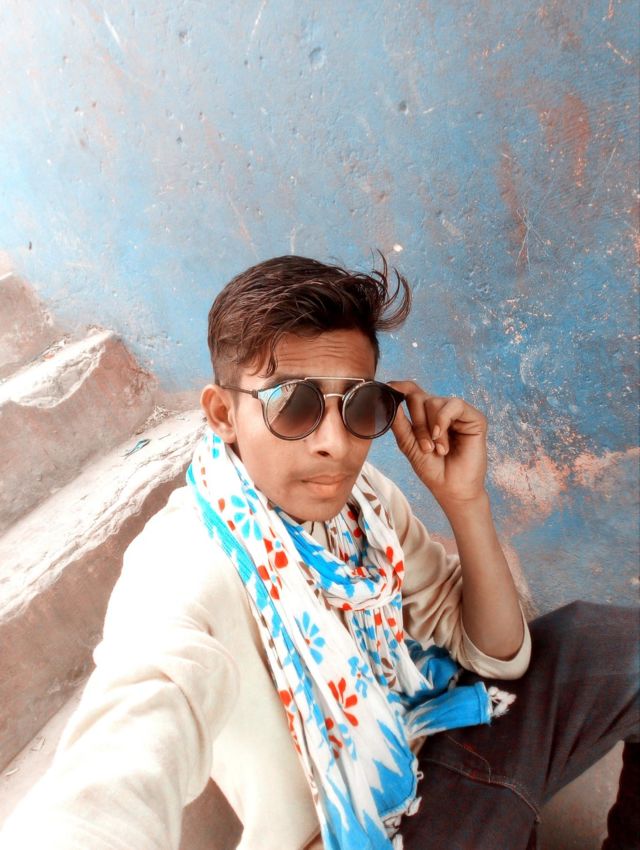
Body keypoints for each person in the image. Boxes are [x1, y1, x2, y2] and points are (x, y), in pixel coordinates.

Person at [1, 255, 638, 850]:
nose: (336, 441)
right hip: (356, 831)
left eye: (360, 405)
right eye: (294, 404)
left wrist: (464, 501)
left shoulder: (364, 501)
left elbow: (497, 657)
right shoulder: (184, 562)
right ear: (222, 414)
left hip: (432, 730)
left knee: (614, 643)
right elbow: (123, 748)